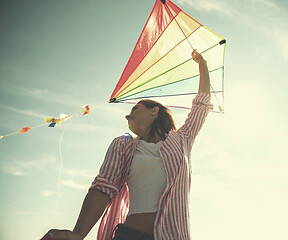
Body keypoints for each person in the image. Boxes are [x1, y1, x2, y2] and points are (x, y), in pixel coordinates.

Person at [41, 49, 213, 240]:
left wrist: (202, 64)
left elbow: (202, 105)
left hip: (172, 236)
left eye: (135, 108)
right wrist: (78, 233)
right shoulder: (123, 145)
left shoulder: (183, 139)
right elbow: (103, 187)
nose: (127, 115)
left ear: (154, 110)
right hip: (128, 235)